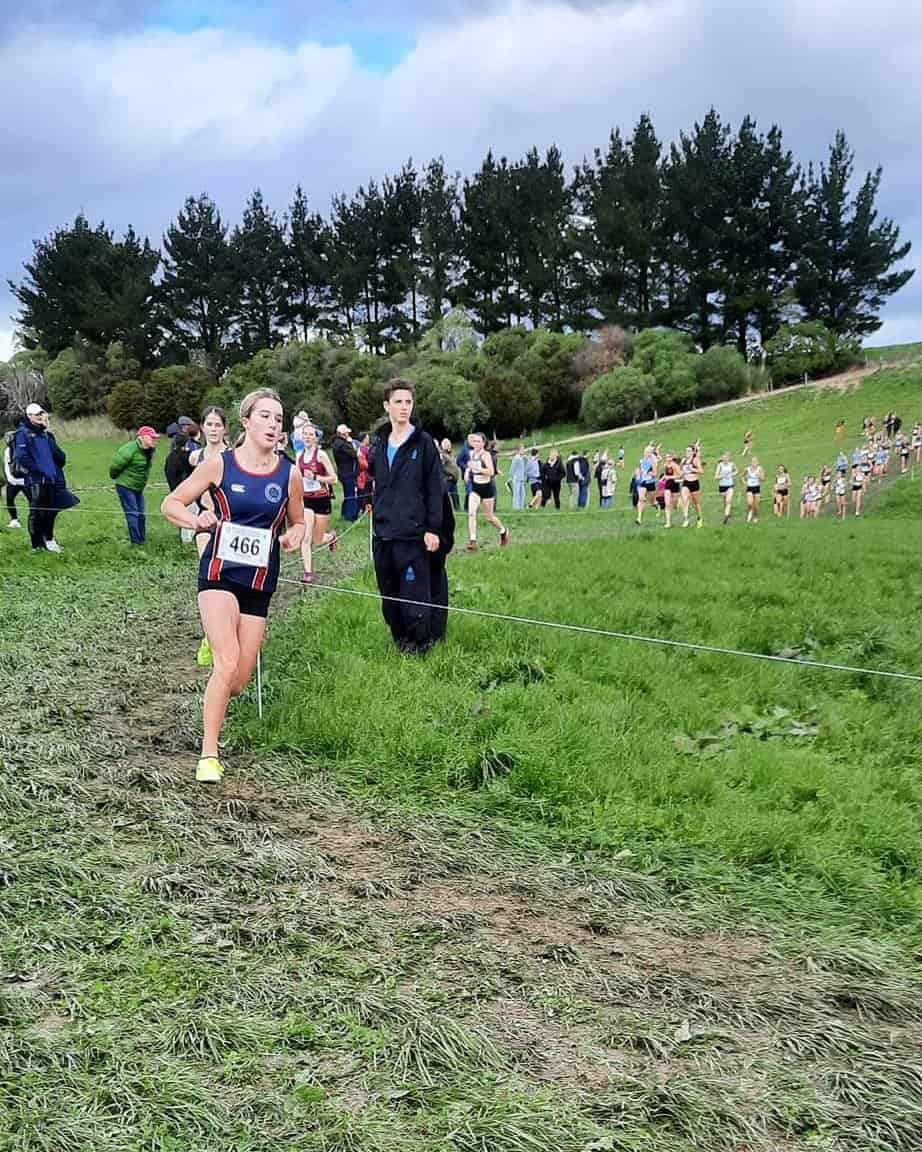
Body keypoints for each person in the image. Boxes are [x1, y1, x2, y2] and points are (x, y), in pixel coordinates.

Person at [161, 389, 304, 783]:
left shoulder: (289, 473)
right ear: (246, 422)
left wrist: (295, 536)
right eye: (266, 417)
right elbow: (171, 504)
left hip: (260, 584)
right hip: (219, 576)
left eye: (279, 418)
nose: (274, 425)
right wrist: (197, 522)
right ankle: (209, 755)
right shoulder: (218, 466)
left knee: (237, 681)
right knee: (225, 663)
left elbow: (299, 521)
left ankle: (215, 640)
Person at [369, 379, 454, 654]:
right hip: (383, 532)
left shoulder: (424, 443)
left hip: (414, 534)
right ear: (387, 406)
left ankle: (420, 644)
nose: (404, 407)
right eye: (398, 402)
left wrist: (432, 528)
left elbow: (435, 488)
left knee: (415, 592)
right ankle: (400, 639)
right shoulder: (380, 442)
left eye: (408, 402)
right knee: (389, 591)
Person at [189, 406, 231, 665]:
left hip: (229, 522)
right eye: (210, 424)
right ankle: (210, 635)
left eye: (218, 425)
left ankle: (228, 630)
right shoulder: (196, 457)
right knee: (209, 578)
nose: (214, 429)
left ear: (225, 428)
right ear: (202, 427)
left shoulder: (233, 456)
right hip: (205, 521)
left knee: (228, 578)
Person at [13, 403, 61, 553]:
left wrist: (47, 428)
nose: (40, 416)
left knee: (50, 512)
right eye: (36, 414)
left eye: (41, 413)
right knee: (37, 513)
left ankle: (48, 541)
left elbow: (58, 455)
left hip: (50, 479)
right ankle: (36, 545)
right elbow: (22, 457)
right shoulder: (23, 433)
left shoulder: (45, 434)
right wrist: (40, 471)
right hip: (35, 480)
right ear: (29, 416)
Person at [297, 423, 339, 585]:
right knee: (305, 538)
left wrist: (315, 477)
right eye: (305, 434)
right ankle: (308, 573)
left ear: (315, 438)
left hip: (322, 499)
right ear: (302, 437)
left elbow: (334, 479)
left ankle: (331, 537)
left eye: (311, 435)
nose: (307, 437)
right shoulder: (299, 456)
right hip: (306, 500)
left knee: (318, 539)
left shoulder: (321, 455)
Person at [110, 425, 159, 544]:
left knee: (141, 514)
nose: (154, 440)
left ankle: (142, 540)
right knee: (133, 513)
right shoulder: (128, 450)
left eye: (155, 438)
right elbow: (115, 467)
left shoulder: (150, 451)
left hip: (138, 487)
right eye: (151, 437)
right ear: (142, 438)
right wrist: (116, 478)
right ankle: (136, 543)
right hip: (125, 486)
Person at [465, 431, 509, 550]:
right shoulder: (471, 453)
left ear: (484, 443)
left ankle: (503, 531)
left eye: (479, 441)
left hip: (487, 488)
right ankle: (473, 541)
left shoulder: (486, 455)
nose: (476, 443)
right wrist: (467, 472)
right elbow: (470, 465)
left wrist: (478, 468)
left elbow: (491, 472)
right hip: (475, 487)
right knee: (471, 513)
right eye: (474, 441)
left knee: (489, 517)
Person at [332, 423, 359, 521]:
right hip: (349, 473)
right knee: (351, 494)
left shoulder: (336, 443)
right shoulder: (344, 444)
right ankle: (351, 516)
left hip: (342, 472)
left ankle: (344, 513)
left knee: (347, 494)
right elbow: (355, 454)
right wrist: (351, 443)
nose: (348, 435)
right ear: (343, 434)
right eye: (347, 433)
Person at [3, 428, 28, 528]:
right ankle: (14, 520)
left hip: (21, 481)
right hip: (17, 481)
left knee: (34, 502)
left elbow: (6, 465)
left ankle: (36, 521)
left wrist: (9, 479)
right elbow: (7, 465)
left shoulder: (11, 450)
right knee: (10, 500)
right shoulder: (9, 450)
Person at [680, 445, 704, 528]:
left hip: (694, 482)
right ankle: (686, 518)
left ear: (693, 452)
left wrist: (693, 469)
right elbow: (681, 472)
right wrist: (682, 474)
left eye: (689, 451)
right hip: (686, 482)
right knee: (684, 499)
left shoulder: (696, 460)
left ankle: (699, 518)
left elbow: (701, 471)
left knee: (696, 503)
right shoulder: (683, 460)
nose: (687, 452)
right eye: (686, 451)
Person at [714, 453, 736, 525]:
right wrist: (723, 476)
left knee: (728, 501)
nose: (725, 460)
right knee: (725, 501)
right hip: (722, 486)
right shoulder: (720, 465)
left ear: (729, 459)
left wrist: (732, 474)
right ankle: (728, 513)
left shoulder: (732, 464)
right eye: (724, 459)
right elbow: (716, 477)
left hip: (730, 485)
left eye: (726, 458)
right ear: (722, 459)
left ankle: (726, 516)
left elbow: (736, 471)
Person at [440, 438, 461, 511]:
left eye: (449, 444)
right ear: (442, 446)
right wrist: (448, 474)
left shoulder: (450, 454)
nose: (448, 446)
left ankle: (458, 509)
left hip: (453, 480)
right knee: (444, 495)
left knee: (455, 496)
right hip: (447, 479)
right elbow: (440, 467)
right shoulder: (442, 455)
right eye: (446, 445)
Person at [744, 457, 764, 524]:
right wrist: (745, 482)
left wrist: (759, 476)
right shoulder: (747, 469)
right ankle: (749, 512)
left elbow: (763, 478)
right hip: (749, 488)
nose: (754, 463)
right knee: (750, 503)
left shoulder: (759, 469)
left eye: (755, 462)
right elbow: (741, 477)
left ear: (757, 462)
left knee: (756, 505)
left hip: (757, 488)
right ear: (751, 462)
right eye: (753, 462)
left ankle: (755, 516)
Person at [356, 432, 373, 514]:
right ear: (364, 439)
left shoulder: (360, 448)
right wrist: (370, 467)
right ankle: (365, 509)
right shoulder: (363, 449)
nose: (368, 439)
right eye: (367, 437)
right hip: (366, 475)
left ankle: (363, 508)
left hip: (364, 474)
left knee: (365, 492)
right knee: (367, 492)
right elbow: (363, 463)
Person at [509, 444, 527, 510]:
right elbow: (512, 468)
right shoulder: (516, 458)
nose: (523, 451)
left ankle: (521, 507)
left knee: (523, 493)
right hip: (516, 478)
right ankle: (516, 508)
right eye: (522, 449)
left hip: (521, 478)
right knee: (516, 494)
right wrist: (510, 477)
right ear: (518, 450)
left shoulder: (521, 458)